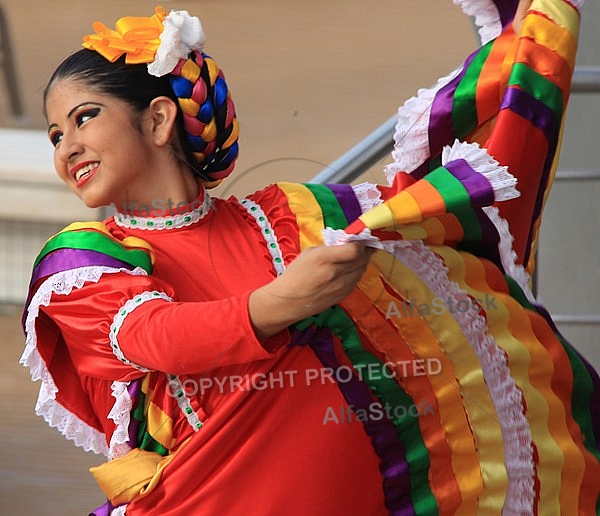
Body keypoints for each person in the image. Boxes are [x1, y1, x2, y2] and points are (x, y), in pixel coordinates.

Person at [20, 1, 600, 514]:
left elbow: (436, 222)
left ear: (157, 119)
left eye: (84, 118)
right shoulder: (82, 260)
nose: (66, 147)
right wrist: (282, 301)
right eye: (53, 135)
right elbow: (158, 337)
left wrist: (521, 55)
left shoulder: (289, 216)